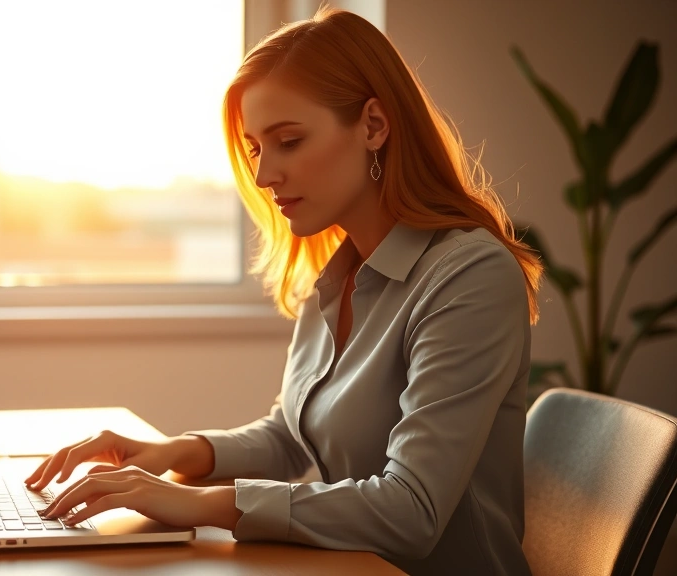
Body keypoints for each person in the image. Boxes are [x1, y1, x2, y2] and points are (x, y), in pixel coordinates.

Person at [27, 6, 542, 575]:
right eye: (255, 149)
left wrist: (198, 503)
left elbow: (411, 509)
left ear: (373, 125)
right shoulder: (338, 273)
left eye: (288, 141)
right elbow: (294, 434)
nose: (264, 174)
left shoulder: (468, 276)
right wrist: (177, 453)